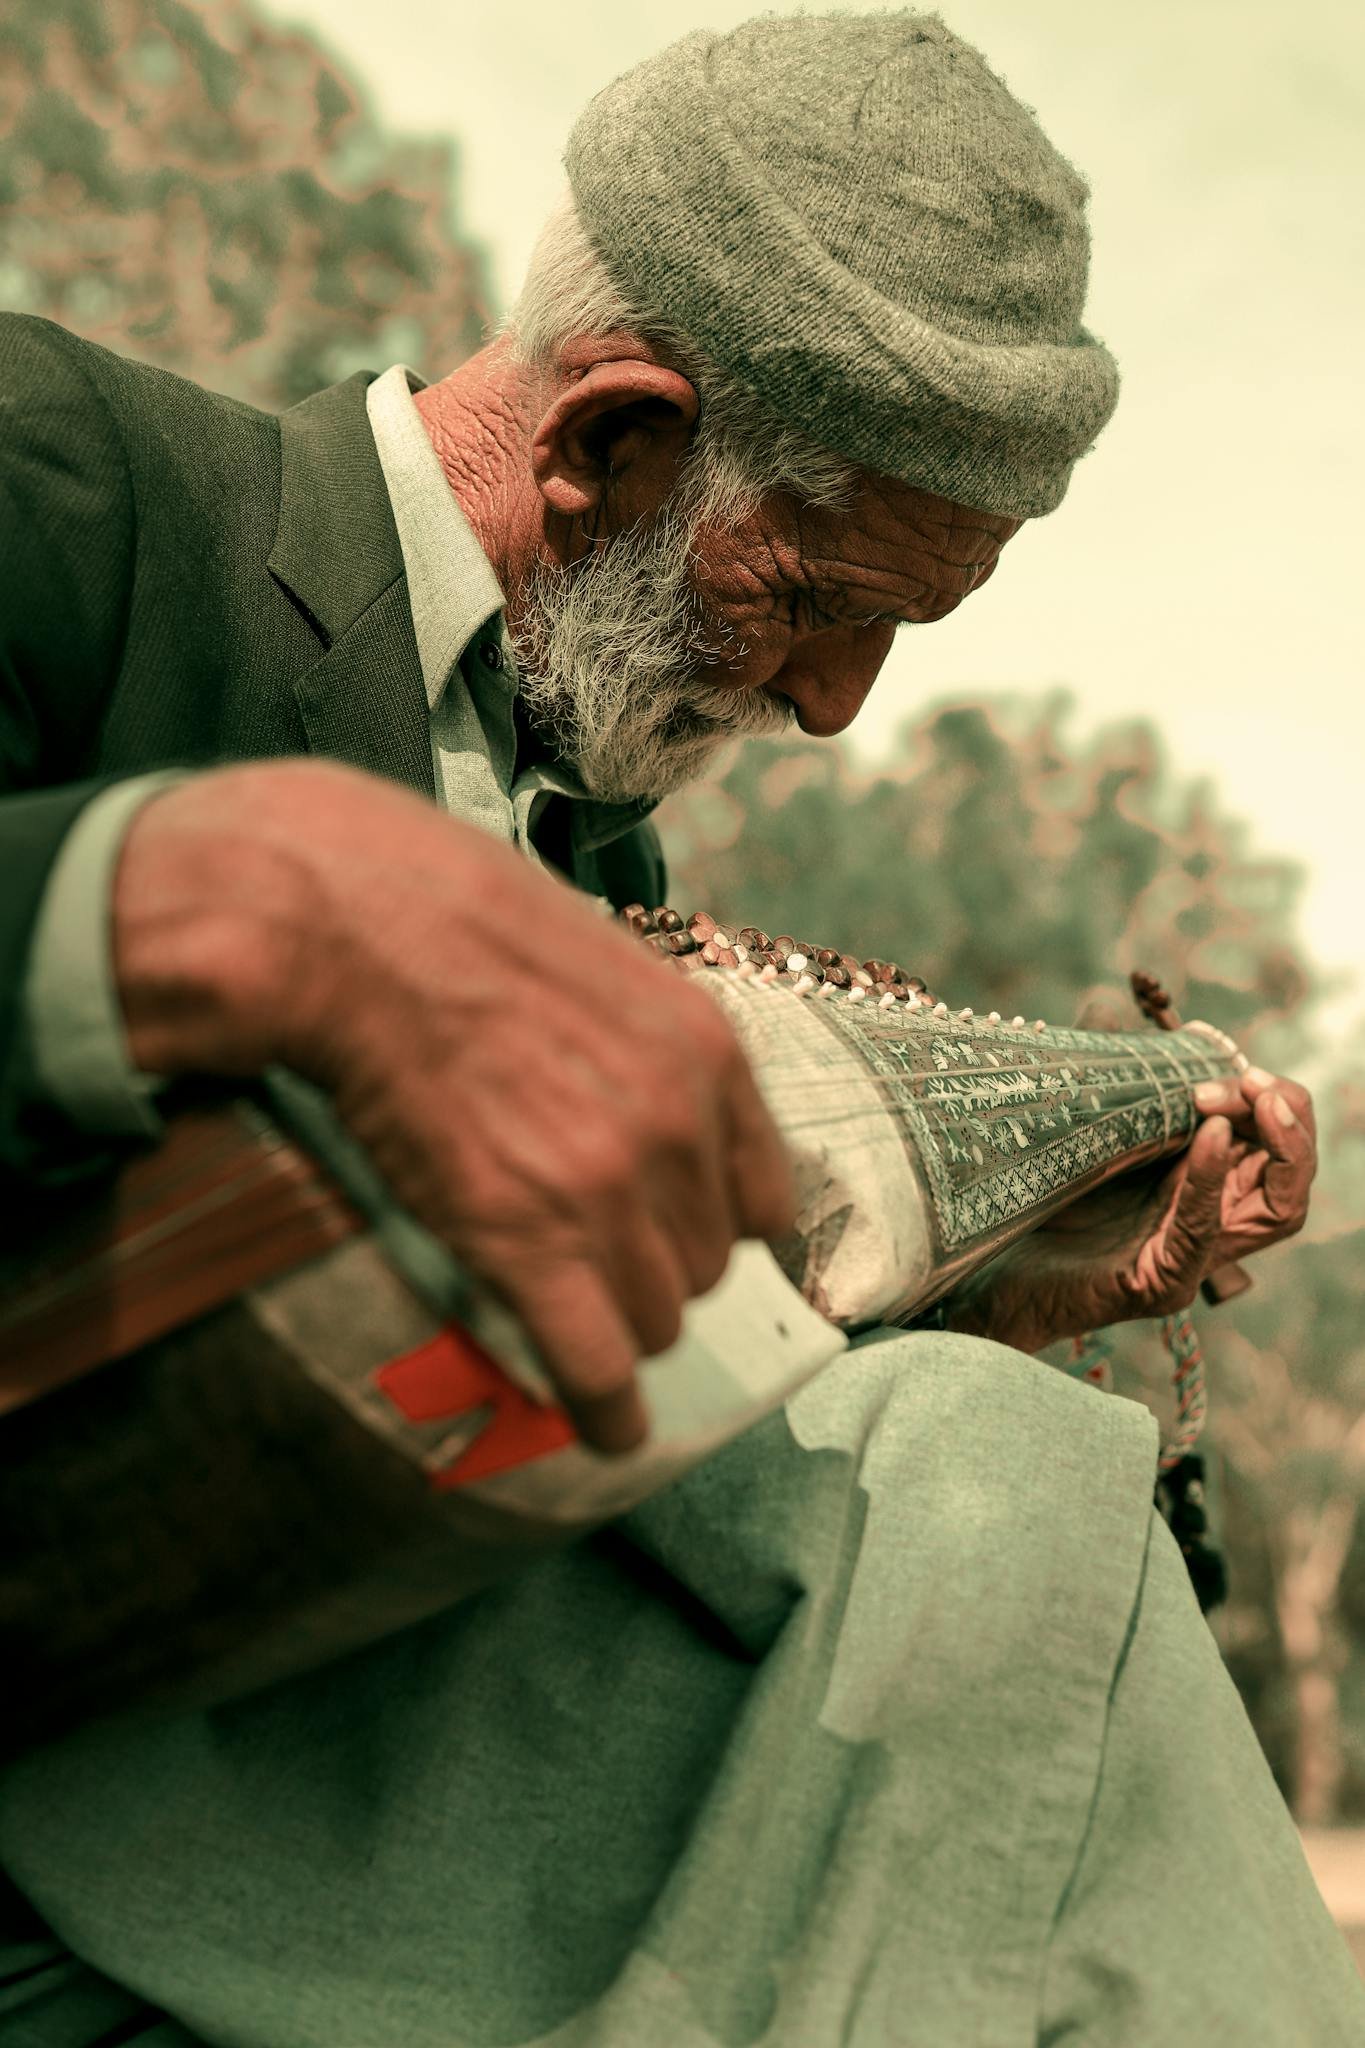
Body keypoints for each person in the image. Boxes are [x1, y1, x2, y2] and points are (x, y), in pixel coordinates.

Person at [0, 12, 1358, 2044]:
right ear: (607, 438)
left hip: (489, 1783)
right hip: (96, 1777)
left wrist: (1049, 1287)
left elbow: (633, 1425)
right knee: (990, 1496)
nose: (828, 711)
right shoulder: (81, 493)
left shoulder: (607, 864)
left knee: (1014, 1471)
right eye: (810, 599)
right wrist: (238, 895)